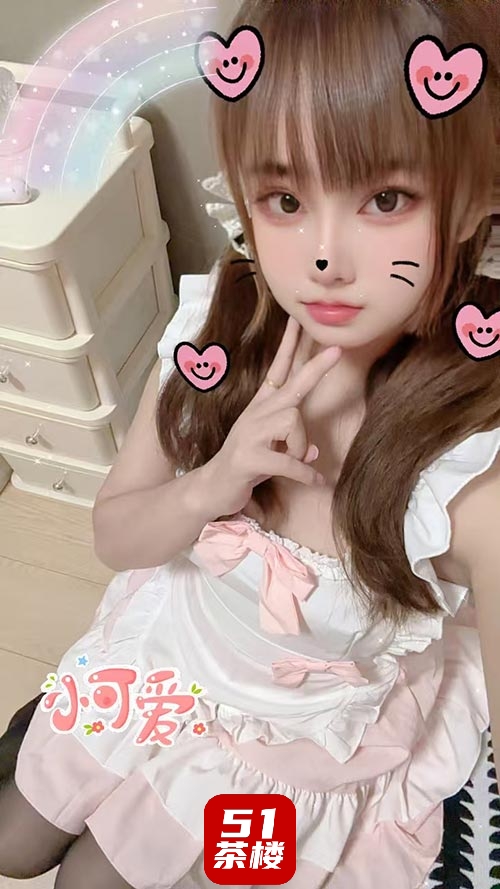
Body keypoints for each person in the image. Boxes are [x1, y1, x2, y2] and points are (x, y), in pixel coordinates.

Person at [0, 1, 499, 887]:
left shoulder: (466, 475)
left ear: (467, 207)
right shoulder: (218, 328)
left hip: (290, 751)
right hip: (163, 660)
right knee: (10, 843)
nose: (324, 255)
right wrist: (215, 480)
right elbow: (115, 536)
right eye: (286, 199)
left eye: (385, 198)